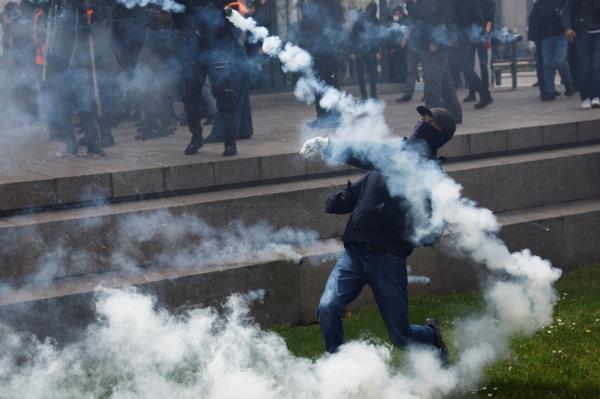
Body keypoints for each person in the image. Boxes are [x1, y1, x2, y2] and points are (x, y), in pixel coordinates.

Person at [298, 106, 456, 360]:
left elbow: (370, 154)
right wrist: (344, 199)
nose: (423, 122)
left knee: (401, 337)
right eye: (423, 118)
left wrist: (329, 145)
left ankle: (431, 335)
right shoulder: (397, 153)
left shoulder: (428, 171)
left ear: (440, 136)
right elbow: (367, 185)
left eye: (431, 122)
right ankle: (336, 371)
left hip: (388, 259)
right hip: (356, 251)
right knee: (327, 308)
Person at [405, 0, 462, 123]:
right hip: (428, 43)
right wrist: (410, 3)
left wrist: (436, 40)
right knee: (445, 81)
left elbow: (444, 15)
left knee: (432, 79)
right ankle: (455, 114)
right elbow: (418, 18)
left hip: (438, 42)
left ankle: (432, 116)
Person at [299, 0, 345, 129]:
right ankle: (330, 116)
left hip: (323, 50)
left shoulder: (323, 5)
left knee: (322, 82)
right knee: (328, 82)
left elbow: (309, 25)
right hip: (326, 51)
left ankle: (327, 117)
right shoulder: (333, 5)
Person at [529, 0, 574, 101]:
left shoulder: (562, 2)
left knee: (560, 61)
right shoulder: (539, 4)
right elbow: (533, 21)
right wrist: (531, 39)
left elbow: (568, 14)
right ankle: (549, 91)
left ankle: (568, 83)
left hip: (560, 36)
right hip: (546, 37)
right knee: (547, 65)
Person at [454, 0, 493, 109]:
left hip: (479, 35)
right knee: (468, 65)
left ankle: (485, 91)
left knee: (483, 65)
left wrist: (486, 34)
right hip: (469, 36)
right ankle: (473, 93)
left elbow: (489, 20)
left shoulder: (486, 2)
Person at [562, 0, 600, 109]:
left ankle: (596, 96)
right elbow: (567, 10)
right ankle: (585, 97)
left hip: (598, 33)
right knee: (584, 66)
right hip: (582, 32)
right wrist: (568, 27)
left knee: (596, 66)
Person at [351, 2, 381, 100]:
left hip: (366, 50)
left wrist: (377, 51)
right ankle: (369, 95)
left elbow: (353, 36)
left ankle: (367, 96)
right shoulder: (371, 20)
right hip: (364, 50)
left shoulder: (365, 19)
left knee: (366, 74)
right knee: (369, 74)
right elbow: (353, 36)